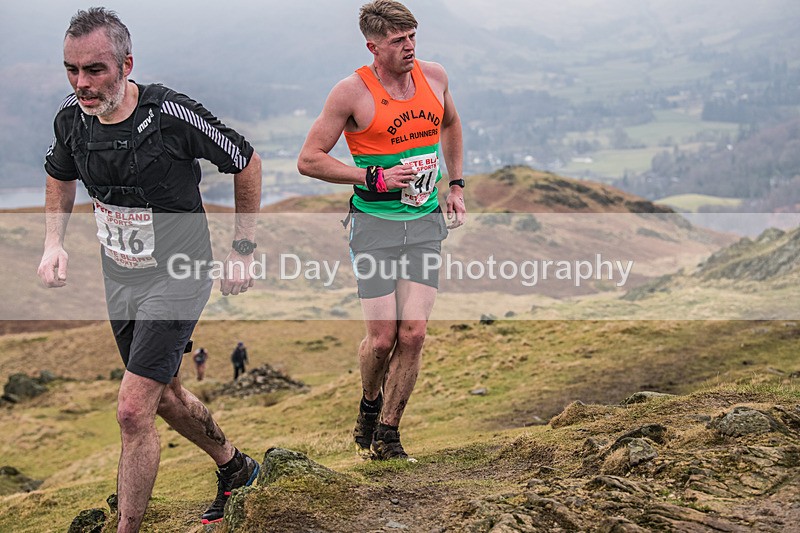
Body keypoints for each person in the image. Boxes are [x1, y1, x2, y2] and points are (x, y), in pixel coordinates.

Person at [37, 8, 262, 530]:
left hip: (180, 271)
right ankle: (236, 468)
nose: (81, 84)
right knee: (163, 395)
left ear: (126, 64)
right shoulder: (71, 117)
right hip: (122, 276)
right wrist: (54, 243)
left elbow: (245, 160)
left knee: (133, 409)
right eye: (71, 69)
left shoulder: (170, 115)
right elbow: (58, 173)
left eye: (95, 70)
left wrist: (243, 248)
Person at [297, 0, 466, 461]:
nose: (409, 46)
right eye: (397, 40)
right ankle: (370, 401)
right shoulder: (351, 92)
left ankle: (388, 436)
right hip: (374, 226)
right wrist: (371, 177)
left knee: (413, 333)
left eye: (412, 36)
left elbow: (451, 124)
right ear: (373, 45)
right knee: (381, 339)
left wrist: (456, 185)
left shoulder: (434, 77)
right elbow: (309, 159)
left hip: (425, 223)